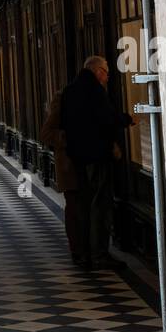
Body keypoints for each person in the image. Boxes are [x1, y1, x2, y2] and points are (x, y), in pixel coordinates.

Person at [59, 55, 133, 270]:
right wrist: (128, 119)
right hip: (96, 156)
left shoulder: (70, 90)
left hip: (78, 157)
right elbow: (106, 120)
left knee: (85, 205)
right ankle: (98, 253)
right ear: (98, 71)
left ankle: (84, 253)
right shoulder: (94, 91)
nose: (108, 77)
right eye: (107, 72)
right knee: (100, 205)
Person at [40, 87, 82, 263]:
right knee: (74, 208)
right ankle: (77, 250)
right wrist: (67, 137)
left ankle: (90, 248)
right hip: (68, 166)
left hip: (87, 164)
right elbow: (46, 134)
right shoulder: (62, 101)